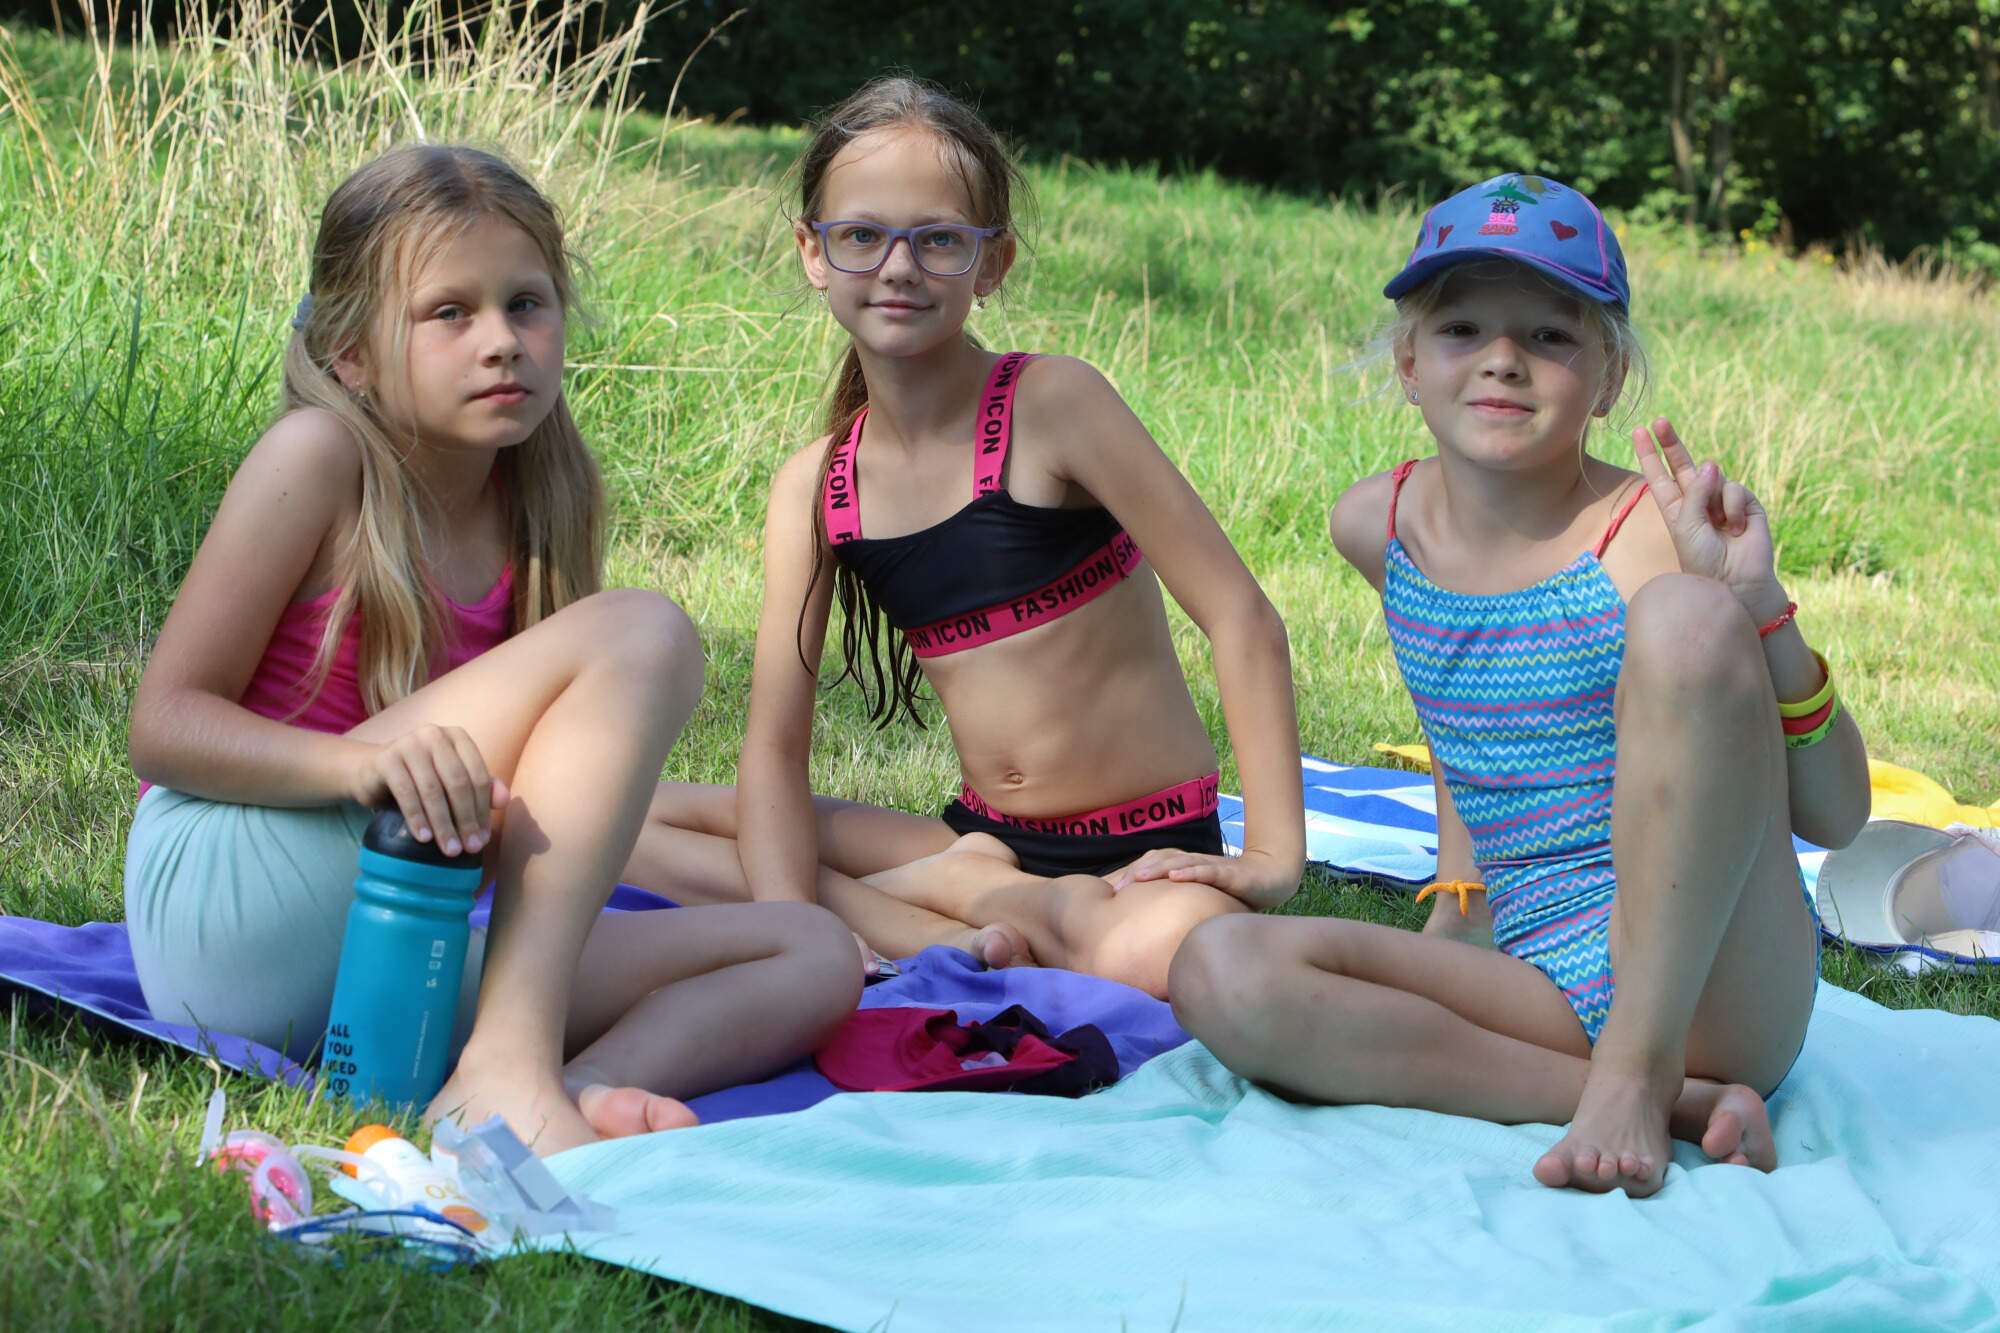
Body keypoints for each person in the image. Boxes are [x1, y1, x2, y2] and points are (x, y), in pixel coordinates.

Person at [124, 145, 861, 1156]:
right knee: (646, 629)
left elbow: (549, 796)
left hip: (394, 937)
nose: (502, 341)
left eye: (526, 304)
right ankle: (513, 1051)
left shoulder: (546, 498)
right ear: (350, 352)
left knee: (812, 952)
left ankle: (550, 1090)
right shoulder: (319, 458)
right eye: (449, 312)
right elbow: (163, 727)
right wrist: (360, 766)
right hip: (235, 901)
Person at [1169, 174, 1869, 1195]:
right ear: (1409, 362)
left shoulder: (1648, 537)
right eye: (1462, 328)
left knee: (1684, 618)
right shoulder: (1377, 525)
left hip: (1711, 973)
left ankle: (1640, 1066)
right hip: (1537, 971)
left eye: (1548, 335)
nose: (1502, 357)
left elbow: (1837, 815)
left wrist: (1756, 606)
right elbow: (1461, 708)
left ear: (1608, 376)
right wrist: (1460, 893)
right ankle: (1670, 1102)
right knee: (1220, 969)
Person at [624, 78, 1306, 999]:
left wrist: (1271, 857)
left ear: (993, 261)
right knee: (622, 817)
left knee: (1172, 953)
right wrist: (790, 922)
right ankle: (952, 913)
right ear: (813, 253)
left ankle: (957, 909)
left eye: (939, 239)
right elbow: (774, 752)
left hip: (1143, 856)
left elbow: (1241, 616)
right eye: (861, 236)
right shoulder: (816, 488)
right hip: (981, 838)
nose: (898, 267)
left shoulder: (1053, 404)